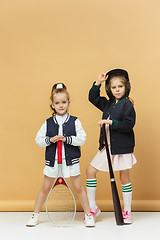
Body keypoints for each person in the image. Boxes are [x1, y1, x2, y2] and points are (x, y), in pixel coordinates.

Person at [26, 83, 95, 227]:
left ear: (69, 102)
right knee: (45, 188)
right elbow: (38, 140)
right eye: (57, 103)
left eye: (64, 102)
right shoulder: (48, 123)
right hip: (52, 162)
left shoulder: (75, 121)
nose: (61, 105)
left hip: (71, 162)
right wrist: (49, 140)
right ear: (52, 105)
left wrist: (67, 139)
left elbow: (82, 138)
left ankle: (89, 215)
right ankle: (35, 215)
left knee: (78, 188)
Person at [86, 69, 137, 224]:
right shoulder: (108, 104)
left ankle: (127, 211)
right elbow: (92, 98)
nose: (117, 90)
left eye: (120, 87)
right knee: (90, 170)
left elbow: (129, 125)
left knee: (123, 177)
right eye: (114, 87)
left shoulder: (127, 104)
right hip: (106, 147)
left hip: (121, 148)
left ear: (126, 87)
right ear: (109, 89)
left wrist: (111, 123)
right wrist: (98, 83)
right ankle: (93, 207)